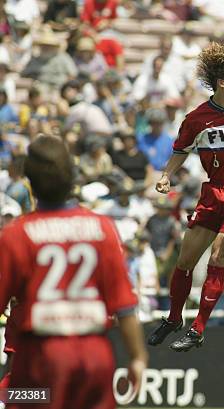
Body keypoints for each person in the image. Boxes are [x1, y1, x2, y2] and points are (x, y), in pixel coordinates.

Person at [0, 136, 147, 408]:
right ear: (72, 178)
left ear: (30, 182)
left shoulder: (16, 236)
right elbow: (125, 306)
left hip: (41, 361)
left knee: (12, 396)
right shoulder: (102, 228)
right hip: (95, 360)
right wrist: (137, 357)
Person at [146, 43, 224, 352]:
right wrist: (166, 175)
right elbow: (180, 150)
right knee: (185, 260)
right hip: (214, 191)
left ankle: (198, 327)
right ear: (222, 83)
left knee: (217, 257)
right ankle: (174, 318)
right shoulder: (197, 118)